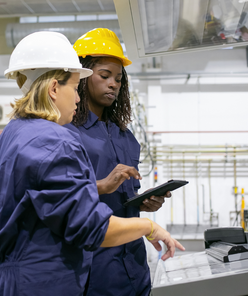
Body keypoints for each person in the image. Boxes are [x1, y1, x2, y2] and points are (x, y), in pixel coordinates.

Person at [0, 31, 184, 296]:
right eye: (75, 88)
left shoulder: (10, 136)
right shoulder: (53, 139)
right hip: (42, 282)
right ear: (54, 88)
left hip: (7, 281)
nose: (77, 98)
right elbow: (91, 227)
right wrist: (150, 227)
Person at [68, 28, 170, 296]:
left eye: (119, 79)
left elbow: (125, 197)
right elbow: (60, 195)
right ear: (81, 77)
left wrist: (145, 200)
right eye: (104, 76)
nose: (113, 83)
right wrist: (102, 184)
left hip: (133, 261)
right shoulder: (66, 132)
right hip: (92, 263)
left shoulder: (126, 137)